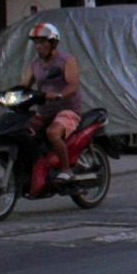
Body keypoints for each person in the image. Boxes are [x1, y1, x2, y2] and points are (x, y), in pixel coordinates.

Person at [22, 22, 81, 183]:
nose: (38, 46)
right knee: (22, 130)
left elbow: (73, 85)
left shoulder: (66, 60)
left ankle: (66, 170)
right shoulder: (35, 65)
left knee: (53, 132)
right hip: (45, 110)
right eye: (36, 43)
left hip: (67, 109)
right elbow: (24, 86)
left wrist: (59, 95)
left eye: (42, 42)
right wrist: (8, 96)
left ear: (53, 43)